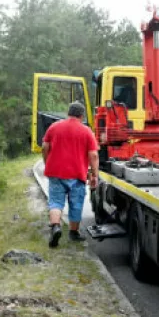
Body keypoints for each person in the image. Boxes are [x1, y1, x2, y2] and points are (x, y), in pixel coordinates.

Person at [41, 101, 99, 247]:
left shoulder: (54, 127)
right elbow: (94, 155)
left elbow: (44, 146)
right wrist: (94, 175)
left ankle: (55, 226)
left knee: (55, 202)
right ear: (82, 115)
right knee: (76, 203)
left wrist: (47, 162)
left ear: (68, 113)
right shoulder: (86, 131)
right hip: (77, 174)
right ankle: (74, 232)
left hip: (56, 173)